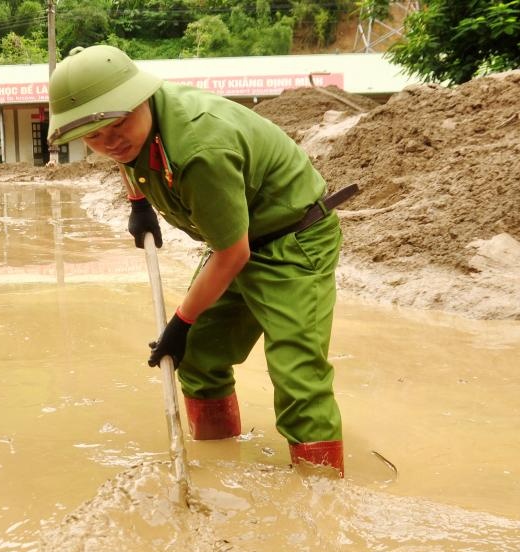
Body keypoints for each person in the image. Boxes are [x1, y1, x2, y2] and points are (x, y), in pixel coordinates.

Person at [48, 46, 356, 476]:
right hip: (239, 237)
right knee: (196, 358)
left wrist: (181, 322)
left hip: (292, 240)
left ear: (141, 99)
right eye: (94, 137)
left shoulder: (199, 149)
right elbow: (127, 155)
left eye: (118, 125)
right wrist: (140, 203)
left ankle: (321, 497)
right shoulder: (133, 128)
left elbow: (233, 254)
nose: (110, 142)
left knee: (297, 375)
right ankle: (220, 465)